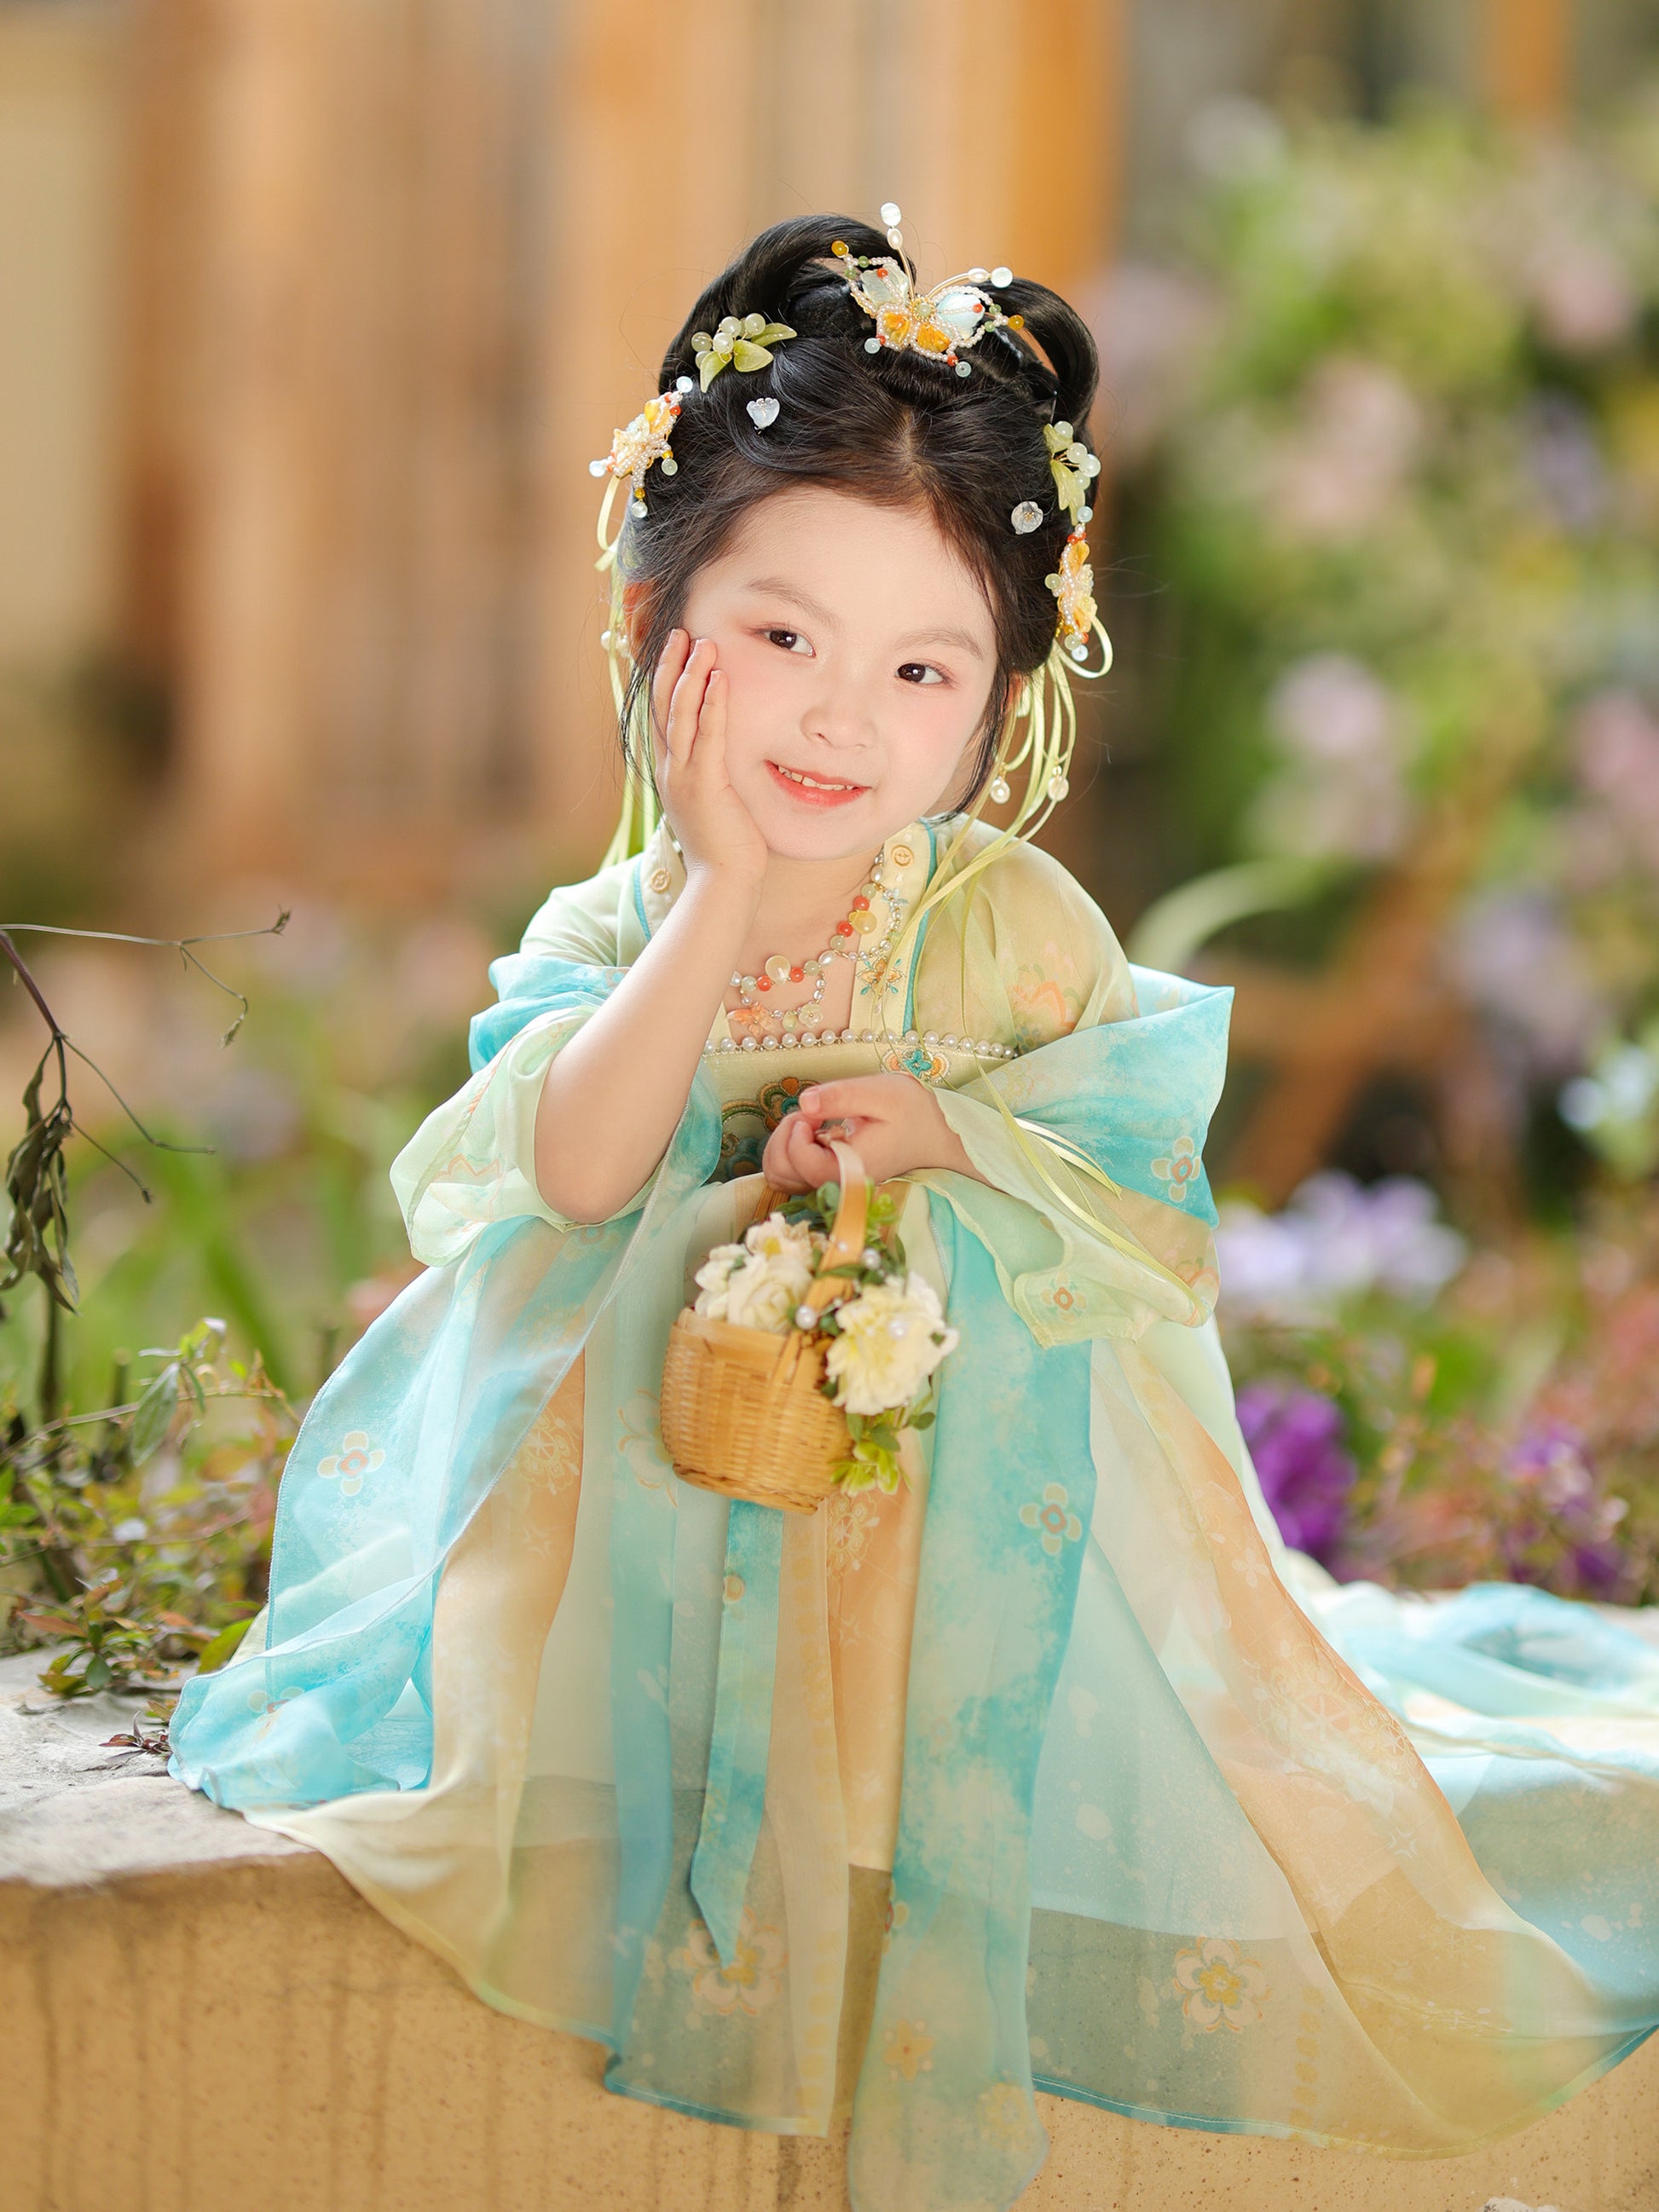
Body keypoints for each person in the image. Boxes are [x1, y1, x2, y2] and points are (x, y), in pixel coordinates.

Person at [169, 211, 1659, 2212]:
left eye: (918, 663)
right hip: (641, 1542)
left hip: (948, 1543)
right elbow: (573, 1168)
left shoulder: (1009, 930)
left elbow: (1148, 1221)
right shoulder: (617, 926)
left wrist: (956, 1144)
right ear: (652, 621)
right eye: (777, 635)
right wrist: (707, 899)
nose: (837, 717)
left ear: (995, 703)